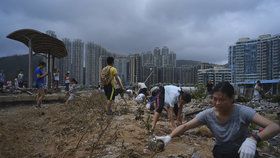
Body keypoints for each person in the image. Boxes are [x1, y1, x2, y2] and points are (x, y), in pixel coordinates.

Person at [155, 81, 280, 158]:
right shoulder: (208, 114)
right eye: (214, 99)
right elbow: (185, 126)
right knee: (222, 150)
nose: (217, 103)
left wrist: (253, 139)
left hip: (245, 150)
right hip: (222, 151)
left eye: (222, 99)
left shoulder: (242, 111)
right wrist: (169, 137)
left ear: (232, 99)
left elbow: (274, 127)